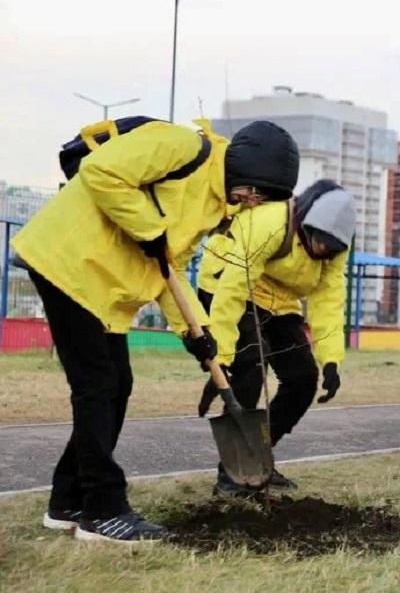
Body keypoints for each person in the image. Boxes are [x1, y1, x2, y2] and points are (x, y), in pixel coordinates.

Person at [12, 118, 300, 544]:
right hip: (65, 262)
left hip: (99, 284)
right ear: (246, 172)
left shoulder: (212, 202)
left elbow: (168, 265)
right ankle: (102, 510)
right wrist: (149, 226)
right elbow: (102, 172)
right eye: (256, 193)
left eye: (261, 200)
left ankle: (67, 501)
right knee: (98, 386)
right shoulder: (183, 146)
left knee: (117, 385)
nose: (253, 203)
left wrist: (197, 332)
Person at [196, 178, 356, 497]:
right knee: (250, 367)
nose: (321, 248)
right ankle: (233, 476)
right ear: (304, 220)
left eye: (331, 246)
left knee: (302, 379)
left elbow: (328, 302)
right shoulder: (269, 223)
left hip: (279, 300)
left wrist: (332, 361)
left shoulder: (335, 248)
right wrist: (223, 357)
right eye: (318, 239)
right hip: (228, 283)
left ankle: (256, 460)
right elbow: (232, 291)